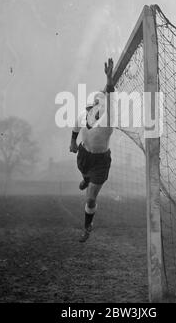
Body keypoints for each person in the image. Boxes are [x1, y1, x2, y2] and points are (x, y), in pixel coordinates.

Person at [70, 58, 115, 242]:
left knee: (90, 200)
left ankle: (87, 226)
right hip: (84, 155)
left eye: (95, 107)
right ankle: (85, 178)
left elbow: (109, 95)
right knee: (84, 174)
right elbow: (75, 128)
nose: (90, 110)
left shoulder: (107, 121)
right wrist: (72, 142)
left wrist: (109, 79)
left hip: (100, 162)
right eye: (89, 107)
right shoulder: (83, 116)